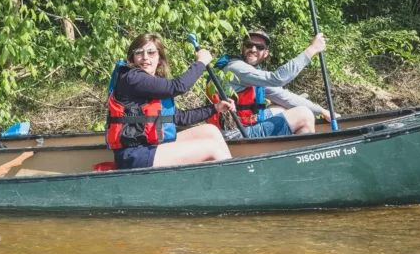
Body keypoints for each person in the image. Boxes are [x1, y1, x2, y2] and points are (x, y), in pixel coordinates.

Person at [106, 33, 235, 169]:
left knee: (211, 131)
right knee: (211, 147)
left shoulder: (152, 83)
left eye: (151, 53)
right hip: (135, 154)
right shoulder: (131, 78)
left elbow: (180, 117)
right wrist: (201, 63)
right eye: (139, 53)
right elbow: (178, 87)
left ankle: (227, 179)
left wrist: (215, 108)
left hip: (151, 147)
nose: (145, 57)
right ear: (132, 57)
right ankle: (236, 184)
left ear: (159, 59)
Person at [205, 28, 339, 137]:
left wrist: (322, 111)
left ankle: (292, 148)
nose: (253, 49)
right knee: (304, 114)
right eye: (249, 45)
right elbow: (277, 78)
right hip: (230, 135)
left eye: (259, 47)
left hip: (243, 125)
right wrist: (312, 49)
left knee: (282, 107)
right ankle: (301, 156)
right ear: (242, 48)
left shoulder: (253, 75)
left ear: (266, 53)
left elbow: (283, 96)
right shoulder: (236, 68)